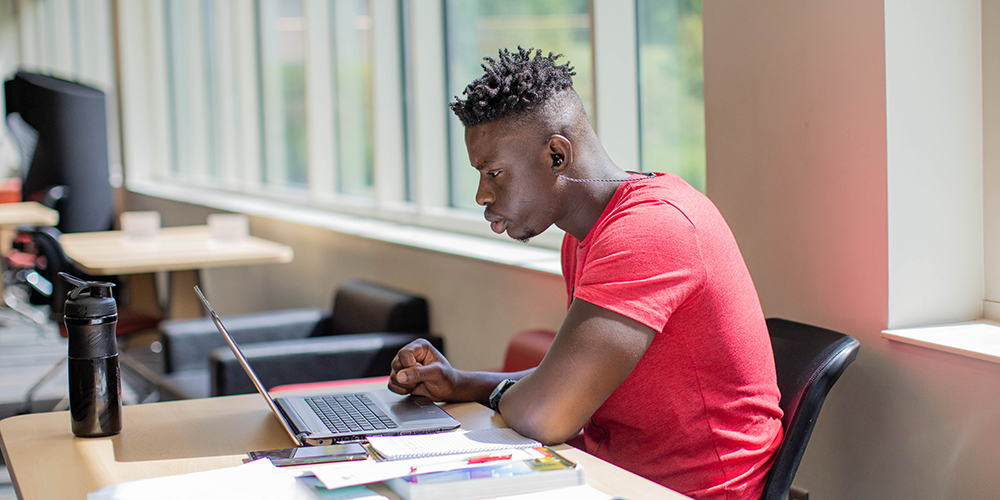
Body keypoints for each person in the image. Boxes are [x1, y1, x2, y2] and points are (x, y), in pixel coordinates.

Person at [388, 47, 783, 500]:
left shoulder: (650, 230)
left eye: (494, 173)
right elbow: (567, 379)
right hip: (611, 474)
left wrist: (503, 395)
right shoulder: (584, 236)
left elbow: (546, 414)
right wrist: (461, 383)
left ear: (557, 154)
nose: (482, 194)